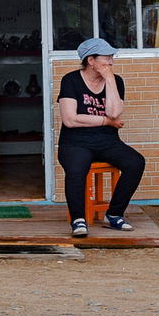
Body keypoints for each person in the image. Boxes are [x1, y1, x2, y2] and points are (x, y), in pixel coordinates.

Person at [57, 37, 146, 237]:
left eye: (111, 57)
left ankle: (114, 214)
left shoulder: (116, 81)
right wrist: (105, 122)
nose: (111, 62)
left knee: (136, 162)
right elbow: (70, 120)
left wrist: (110, 80)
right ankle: (78, 219)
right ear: (91, 60)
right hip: (75, 143)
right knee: (77, 170)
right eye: (106, 57)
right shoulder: (71, 80)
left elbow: (114, 113)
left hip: (107, 141)